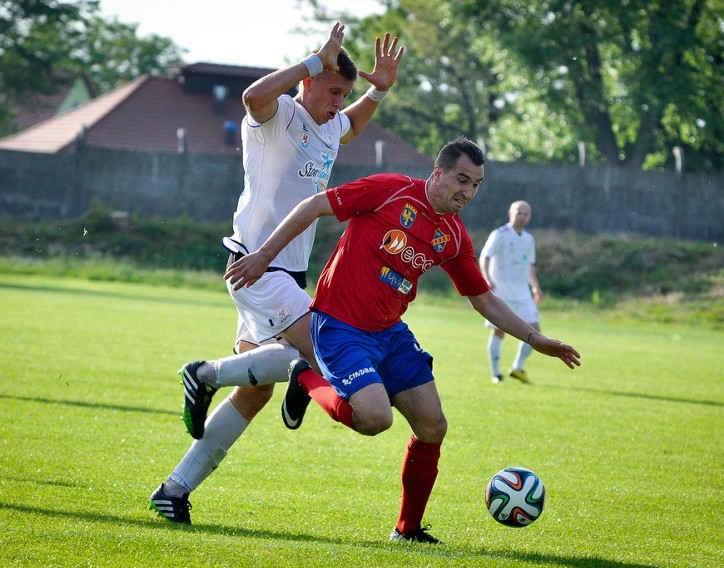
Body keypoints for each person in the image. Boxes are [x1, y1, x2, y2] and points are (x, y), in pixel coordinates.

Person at [224, 137, 581, 544]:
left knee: (433, 426)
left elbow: (482, 298)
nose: (466, 192)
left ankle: (407, 530)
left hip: (390, 334)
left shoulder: (453, 235)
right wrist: (265, 255)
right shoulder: (390, 189)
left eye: (476, 185)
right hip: (340, 326)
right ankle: (306, 373)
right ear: (438, 173)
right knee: (375, 419)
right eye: (461, 180)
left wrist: (535, 339)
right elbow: (314, 205)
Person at [149, 22, 405, 524]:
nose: (338, 102)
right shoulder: (278, 114)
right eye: (333, 91)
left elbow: (350, 126)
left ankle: (173, 489)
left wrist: (377, 90)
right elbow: (251, 95)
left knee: (255, 390)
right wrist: (315, 59)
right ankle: (207, 374)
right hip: (255, 263)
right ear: (308, 82)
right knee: (318, 345)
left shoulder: (331, 124)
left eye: (343, 93)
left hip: (289, 271)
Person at [478, 200, 543, 384]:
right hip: (502, 291)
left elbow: (529, 266)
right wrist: (487, 279)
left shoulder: (529, 239)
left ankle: (518, 367)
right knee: (499, 332)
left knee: (535, 332)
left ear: (530, 217)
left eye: (525, 213)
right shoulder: (500, 234)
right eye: (518, 212)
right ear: (510, 213)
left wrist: (535, 287)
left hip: (523, 293)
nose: (521, 216)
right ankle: (496, 373)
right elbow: (485, 257)